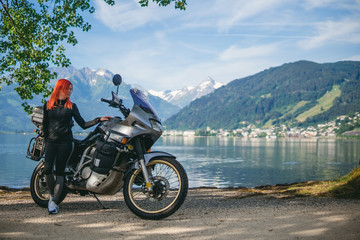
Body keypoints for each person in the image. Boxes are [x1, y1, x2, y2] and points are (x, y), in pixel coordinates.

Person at [42, 79, 111, 214]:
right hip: (51, 142)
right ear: (60, 88)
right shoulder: (48, 105)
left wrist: (98, 119)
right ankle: (52, 194)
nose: (69, 91)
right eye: (67, 88)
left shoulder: (71, 106)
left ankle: (54, 203)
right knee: (48, 170)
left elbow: (83, 124)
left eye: (71, 89)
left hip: (65, 143)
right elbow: (45, 125)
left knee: (60, 172)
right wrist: (45, 140)